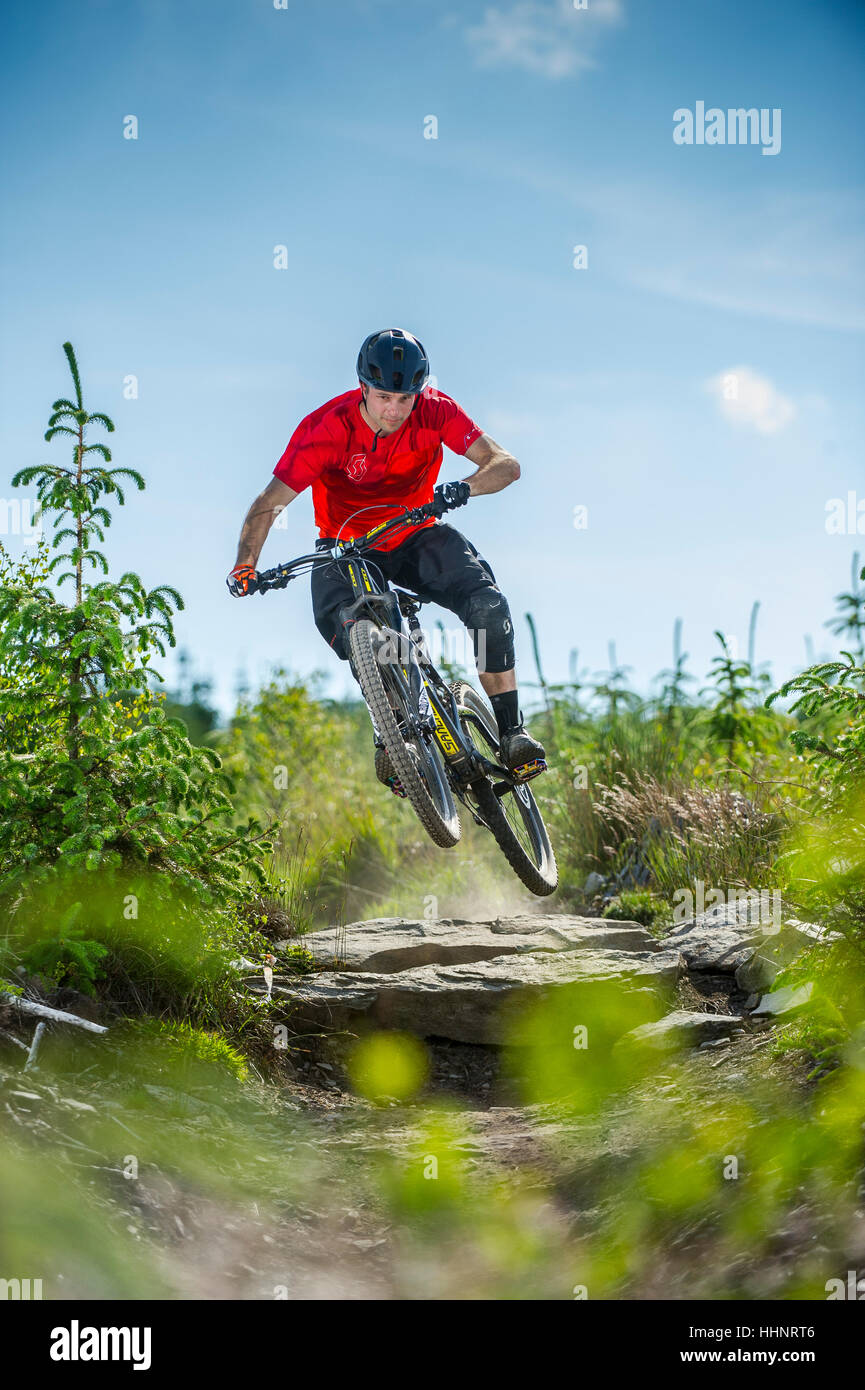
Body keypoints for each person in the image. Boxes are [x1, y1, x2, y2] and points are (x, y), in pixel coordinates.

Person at [227, 327, 546, 787]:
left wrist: (464, 487)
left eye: (405, 399)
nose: (394, 411)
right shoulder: (325, 428)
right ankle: (396, 739)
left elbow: (505, 465)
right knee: (362, 634)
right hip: (345, 546)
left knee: (487, 606)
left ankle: (513, 733)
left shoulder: (436, 410)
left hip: (414, 531)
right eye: (383, 398)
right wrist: (246, 565)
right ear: (362, 387)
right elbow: (269, 503)